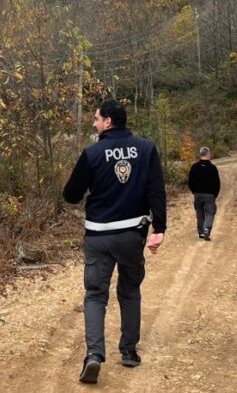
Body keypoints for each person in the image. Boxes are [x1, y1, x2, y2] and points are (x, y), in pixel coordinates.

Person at [63, 100, 167, 384]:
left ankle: (94, 356)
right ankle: (129, 351)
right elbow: (156, 190)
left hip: (98, 235)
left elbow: (71, 195)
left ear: (108, 121)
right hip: (132, 234)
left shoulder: (92, 153)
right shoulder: (146, 149)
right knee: (130, 290)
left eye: (96, 119)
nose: (94, 124)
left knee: (96, 295)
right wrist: (160, 227)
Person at [187, 146, 220, 240]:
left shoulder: (194, 167)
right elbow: (217, 183)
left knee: (199, 213)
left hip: (197, 194)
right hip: (210, 195)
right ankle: (206, 229)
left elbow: (190, 181)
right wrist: (215, 194)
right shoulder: (212, 168)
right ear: (208, 154)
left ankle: (201, 232)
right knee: (210, 213)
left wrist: (194, 191)